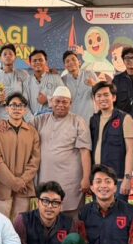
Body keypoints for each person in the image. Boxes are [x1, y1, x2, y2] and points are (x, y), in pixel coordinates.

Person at [32, 86, 91, 218]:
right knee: (47, 214)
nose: (60, 105)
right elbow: (21, 127)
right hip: (46, 177)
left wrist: (86, 178)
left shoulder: (78, 121)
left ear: (71, 103)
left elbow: (85, 151)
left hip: (71, 180)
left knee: (71, 217)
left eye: (65, 102)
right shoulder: (40, 120)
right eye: (57, 101)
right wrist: (5, 124)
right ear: (51, 102)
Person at [0, 92, 40, 220]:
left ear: (25, 110)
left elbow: (35, 160)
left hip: (24, 187)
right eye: (13, 105)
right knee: (1, 224)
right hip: (3, 186)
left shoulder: (32, 132)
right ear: (7, 109)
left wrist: (22, 180)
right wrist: (13, 182)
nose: (17, 109)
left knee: (20, 224)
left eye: (20, 106)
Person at [89, 81, 133, 202]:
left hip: (118, 179)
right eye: (98, 96)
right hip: (98, 179)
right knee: (98, 212)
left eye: (106, 95)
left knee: (118, 212)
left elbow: (131, 151)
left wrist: (127, 179)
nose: (102, 98)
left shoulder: (125, 118)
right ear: (94, 99)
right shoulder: (93, 120)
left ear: (114, 97)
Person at [0, 43, 30, 121]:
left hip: (18, 117)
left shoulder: (23, 74)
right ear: (0, 58)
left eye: (10, 54)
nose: (8, 56)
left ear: (15, 57)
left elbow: (27, 95)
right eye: (5, 54)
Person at [61, 50, 97, 121]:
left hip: (91, 118)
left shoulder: (89, 74)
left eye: (73, 59)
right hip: (72, 120)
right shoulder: (63, 80)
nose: (71, 62)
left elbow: (100, 92)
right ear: (65, 66)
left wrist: (94, 85)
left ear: (79, 62)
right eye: (67, 61)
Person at [25, 49, 63, 116]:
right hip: (33, 120)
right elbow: (24, 104)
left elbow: (64, 98)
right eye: (34, 60)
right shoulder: (26, 82)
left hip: (53, 120)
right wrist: (32, 119)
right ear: (30, 64)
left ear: (46, 62)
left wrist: (48, 100)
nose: (37, 62)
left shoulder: (56, 78)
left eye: (40, 60)